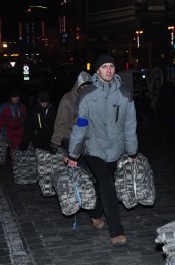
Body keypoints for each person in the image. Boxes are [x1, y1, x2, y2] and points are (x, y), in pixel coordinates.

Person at [65, 54, 138, 245]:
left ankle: (96, 213)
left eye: (111, 66)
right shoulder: (87, 94)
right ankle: (116, 231)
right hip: (93, 147)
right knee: (107, 183)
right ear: (97, 71)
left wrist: (132, 151)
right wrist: (73, 153)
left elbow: (130, 125)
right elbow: (80, 124)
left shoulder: (124, 94)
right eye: (104, 66)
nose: (108, 70)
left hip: (115, 148)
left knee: (102, 184)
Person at [50, 71, 92, 151]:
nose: (86, 89)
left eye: (88, 87)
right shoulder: (68, 99)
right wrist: (55, 141)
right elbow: (61, 121)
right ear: (78, 86)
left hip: (89, 137)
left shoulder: (94, 98)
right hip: (70, 136)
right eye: (84, 86)